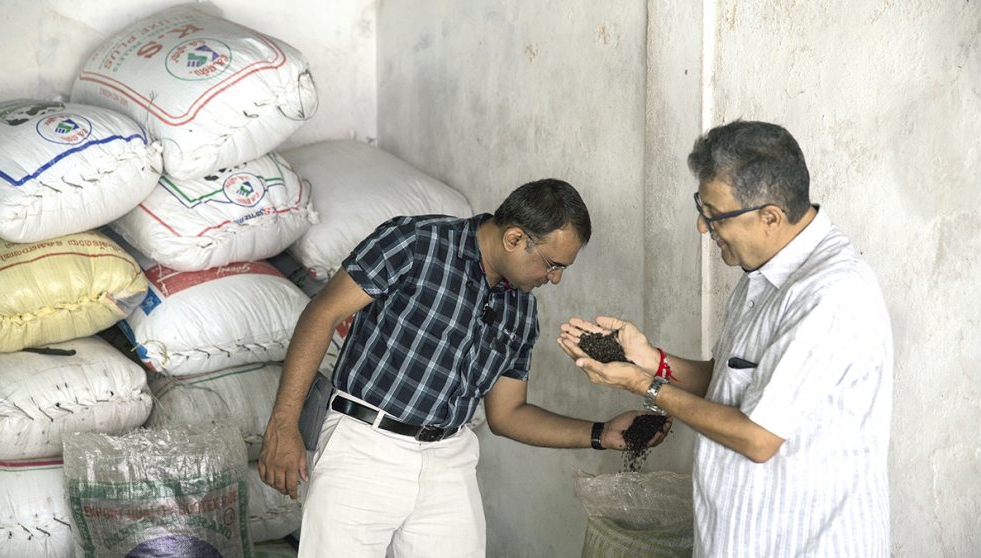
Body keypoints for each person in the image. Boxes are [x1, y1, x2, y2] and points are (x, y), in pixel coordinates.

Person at [259, 178, 665, 557]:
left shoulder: (521, 308)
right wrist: (283, 424)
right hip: (366, 447)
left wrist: (601, 433)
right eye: (552, 264)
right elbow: (321, 314)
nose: (554, 278)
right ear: (514, 238)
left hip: (449, 460)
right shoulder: (416, 243)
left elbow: (508, 415)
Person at [558, 121, 893, 557]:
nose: (703, 226)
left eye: (715, 215)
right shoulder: (761, 274)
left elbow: (758, 438)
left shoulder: (830, 294)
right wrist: (648, 359)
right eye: (702, 207)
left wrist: (643, 386)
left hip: (804, 544)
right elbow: (730, 382)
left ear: (770, 216)